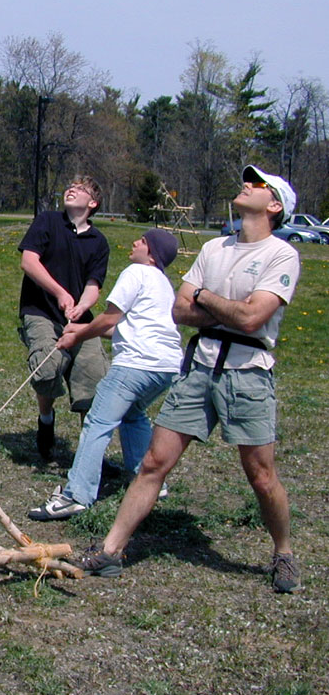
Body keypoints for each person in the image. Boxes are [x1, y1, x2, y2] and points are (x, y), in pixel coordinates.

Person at [72, 166, 304, 595]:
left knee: (261, 475)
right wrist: (225, 307)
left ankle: (284, 552)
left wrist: (204, 297)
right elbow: (179, 312)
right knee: (155, 462)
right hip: (198, 367)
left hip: (248, 374)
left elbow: (254, 319)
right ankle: (111, 552)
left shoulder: (281, 255)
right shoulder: (214, 248)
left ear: (274, 206)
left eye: (258, 184)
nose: (247, 185)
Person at [27, 228, 182, 520]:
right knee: (133, 414)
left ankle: (76, 495)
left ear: (151, 254)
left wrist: (77, 336)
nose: (135, 242)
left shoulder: (136, 272)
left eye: (143, 241)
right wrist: (81, 330)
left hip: (136, 364)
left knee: (98, 421)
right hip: (166, 367)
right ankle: (149, 479)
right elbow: (127, 328)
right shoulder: (163, 283)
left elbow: (110, 317)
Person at [18, 175, 110, 459]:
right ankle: (46, 419)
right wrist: (59, 293)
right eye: (70, 186)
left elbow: (94, 285)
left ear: (92, 203)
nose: (71, 189)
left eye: (81, 189)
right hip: (40, 311)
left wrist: (81, 307)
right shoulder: (48, 221)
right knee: (46, 368)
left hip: (79, 319)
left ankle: (88, 456)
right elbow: (28, 261)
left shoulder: (99, 242)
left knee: (95, 382)